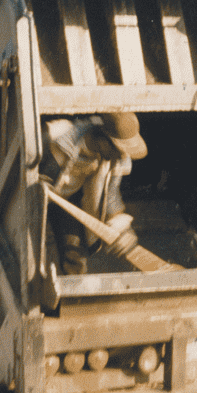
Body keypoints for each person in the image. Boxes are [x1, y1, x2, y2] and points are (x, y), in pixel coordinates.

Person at [40, 113, 147, 275]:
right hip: (33, 198)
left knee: (75, 254)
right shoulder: (55, 135)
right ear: (102, 138)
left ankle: (76, 297)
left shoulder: (113, 158)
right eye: (118, 149)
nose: (122, 156)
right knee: (31, 255)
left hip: (66, 202)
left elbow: (111, 194)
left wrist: (122, 229)